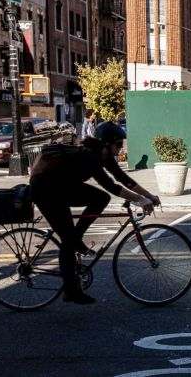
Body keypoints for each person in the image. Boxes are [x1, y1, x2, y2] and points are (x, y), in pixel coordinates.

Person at [29, 122, 160, 305]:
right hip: (46, 191)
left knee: (100, 198)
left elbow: (124, 180)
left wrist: (149, 196)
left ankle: (77, 239)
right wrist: (139, 200)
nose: (121, 148)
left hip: (62, 189)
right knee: (68, 240)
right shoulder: (89, 157)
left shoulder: (104, 156)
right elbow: (112, 186)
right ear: (106, 144)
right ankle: (71, 290)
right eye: (119, 144)